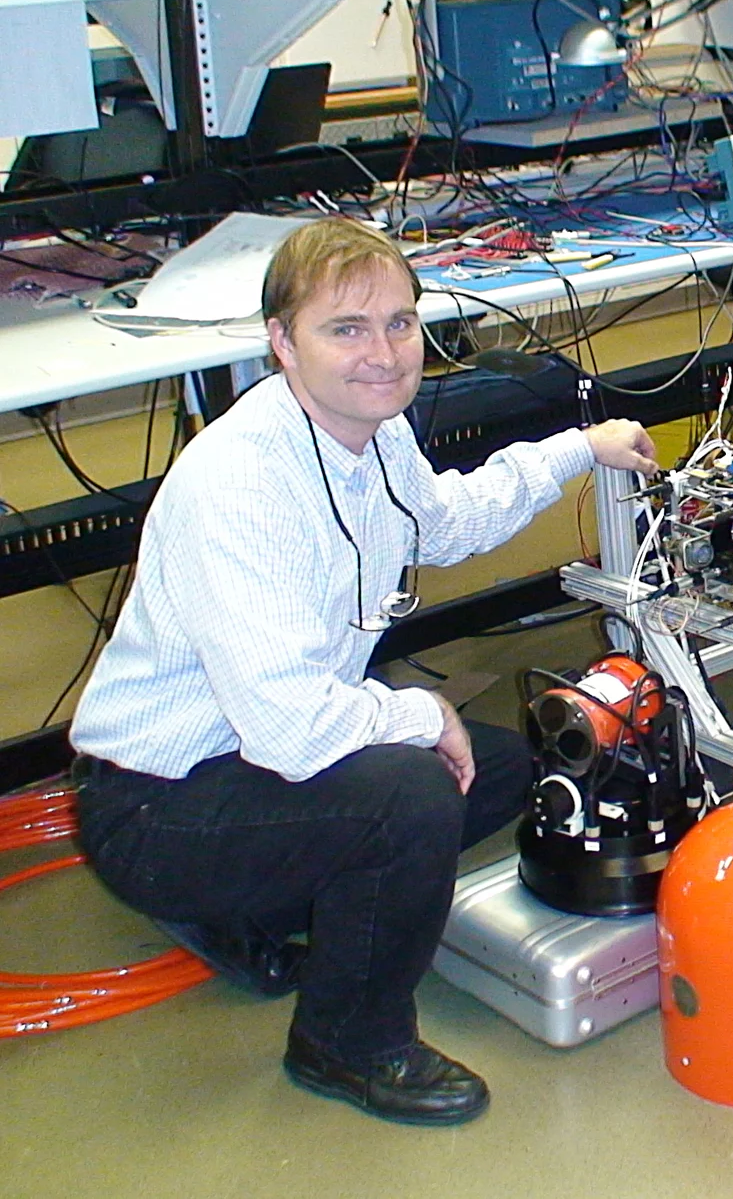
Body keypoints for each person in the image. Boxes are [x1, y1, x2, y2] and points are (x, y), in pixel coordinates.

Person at [69, 217, 656, 1127]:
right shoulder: (243, 484)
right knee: (414, 792)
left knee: (503, 769)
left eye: (400, 323)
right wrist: (417, 713)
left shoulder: (369, 434)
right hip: (156, 805)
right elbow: (295, 728)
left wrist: (579, 448)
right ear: (282, 343)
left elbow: (447, 520)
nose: (383, 354)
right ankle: (348, 1042)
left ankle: (258, 912)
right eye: (346, 329)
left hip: (248, 761)